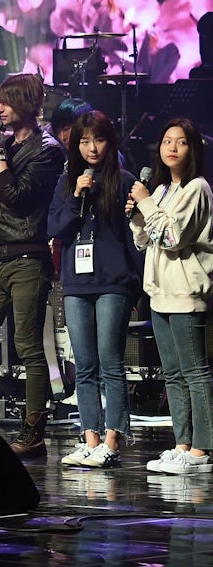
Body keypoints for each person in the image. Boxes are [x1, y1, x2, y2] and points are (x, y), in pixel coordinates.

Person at [0, 73, 65, 457]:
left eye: (5, 102)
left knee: (28, 348)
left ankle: (32, 432)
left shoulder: (48, 150)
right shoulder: (4, 145)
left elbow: (19, 200)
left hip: (28, 256)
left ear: (25, 103)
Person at [49, 111, 141, 468]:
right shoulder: (67, 181)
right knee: (84, 364)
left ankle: (113, 440)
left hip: (113, 282)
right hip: (76, 283)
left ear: (109, 142)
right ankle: (90, 438)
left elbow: (133, 239)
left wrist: (135, 285)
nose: (91, 148)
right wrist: (75, 195)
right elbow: (55, 226)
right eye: (84, 141)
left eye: (98, 140)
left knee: (110, 363)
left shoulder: (125, 181)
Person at [128, 118, 213, 475]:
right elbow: (145, 240)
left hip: (186, 292)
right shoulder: (161, 191)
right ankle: (182, 444)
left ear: (192, 149)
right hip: (160, 293)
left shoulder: (197, 188)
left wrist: (146, 206)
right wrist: (136, 215)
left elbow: (173, 237)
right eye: (166, 141)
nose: (172, 147)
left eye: (180, 142)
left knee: (194, 371)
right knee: (173, 373)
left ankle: (202, 450)